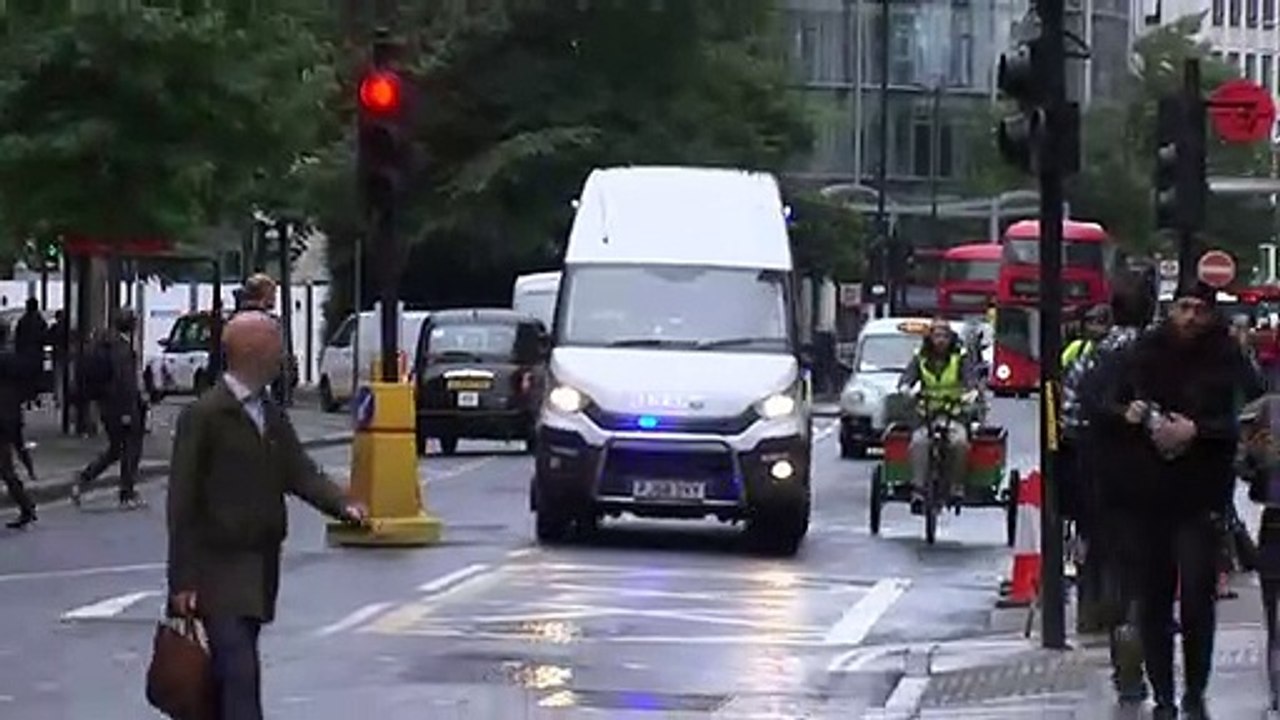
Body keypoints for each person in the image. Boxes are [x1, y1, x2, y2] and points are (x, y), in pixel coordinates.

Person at [166, 311, 366, 719]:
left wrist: (342, 505)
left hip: (260, 563)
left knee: (230, 673)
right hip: (217, 566)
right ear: (253, 352)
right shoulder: (205, 416)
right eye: (277, 346)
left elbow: (299, 471)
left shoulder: (269, 412)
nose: (282, 356)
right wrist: (182, 581)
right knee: (239, 671)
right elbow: (182, 501)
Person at [1094, 281, 1246, 719]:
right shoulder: (1142, 353)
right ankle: (1163, 693)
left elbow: (1245, 415)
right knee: (1153, 597)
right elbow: (1101, 404)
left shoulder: (1227, 358)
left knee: (1198, 595)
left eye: (1199, 309)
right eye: (1184, 307)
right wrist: (1127, 414)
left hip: (1201, 494)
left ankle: (1195, 690)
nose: (1191, 317)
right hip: (1146, 494)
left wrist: (1198, 430)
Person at [1069, 272, 1155, 702]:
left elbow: (1071, 414)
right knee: (1149, 570)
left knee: (1113, 564)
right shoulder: (1156, 353)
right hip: (1154, 477)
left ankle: (1116, 634)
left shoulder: (1093, 357)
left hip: (1101, 477)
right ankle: (1136, 641)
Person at [1058, 303, 1113, 634]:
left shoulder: (1114, 357)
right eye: (1092, 322)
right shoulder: (1077, 355)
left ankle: (1103, 610)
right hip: (1084, 454)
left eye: (1102, 322)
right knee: (1088, 534)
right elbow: (1063, 399)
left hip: (1108, 457)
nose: (1097, 328)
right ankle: (1090, 611)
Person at [896, 318, 980, 506]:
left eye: (944, 336)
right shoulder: (920, 357)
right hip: (927, 415)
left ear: (951, 338)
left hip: (954, 414)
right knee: (918, 443)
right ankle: (918, 490)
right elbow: (906, 379)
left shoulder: (960, 357)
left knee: (959, 443)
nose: (940, 340)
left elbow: (971, 380)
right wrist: (906, 389)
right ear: (930, 338)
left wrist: (971, 393)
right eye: (936, 336)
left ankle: (956, 486)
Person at [71, 310, 145, 509]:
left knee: (115, 450)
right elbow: (125, 382)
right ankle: (126, 493)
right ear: (132, 327)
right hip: (122, 406)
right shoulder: (123, 350)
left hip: (106, 405)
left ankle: (84, 479)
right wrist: (129, 411)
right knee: (131, 448)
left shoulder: (105, 343)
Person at [0, 323, 36, 529]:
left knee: (6, 468)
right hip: (12, 414)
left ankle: (26, 506)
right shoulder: (14, 359)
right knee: (8, 464)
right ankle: (26, 505)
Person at [13, 298, 47, 407]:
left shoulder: (23, 321)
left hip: (25, 354)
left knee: (26, 378)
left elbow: (18, 339)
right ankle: (34, 397)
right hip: (36, 353)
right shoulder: (40, 321)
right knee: (36, 377)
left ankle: (27, 397)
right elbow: (44, 336)